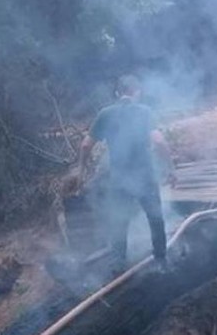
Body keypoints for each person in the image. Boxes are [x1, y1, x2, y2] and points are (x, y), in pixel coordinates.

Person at [75, 75, 176, 273]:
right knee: (155, 218)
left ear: (117, 93)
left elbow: (86, 145)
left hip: (119, 178)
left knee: (119, 221)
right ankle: (161, 261)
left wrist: (81, 171)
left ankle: (117, 265)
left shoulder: (105, 114)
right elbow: (159, 142)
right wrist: (171, 169)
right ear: (136, 91)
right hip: (145, 177)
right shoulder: (145, 112)